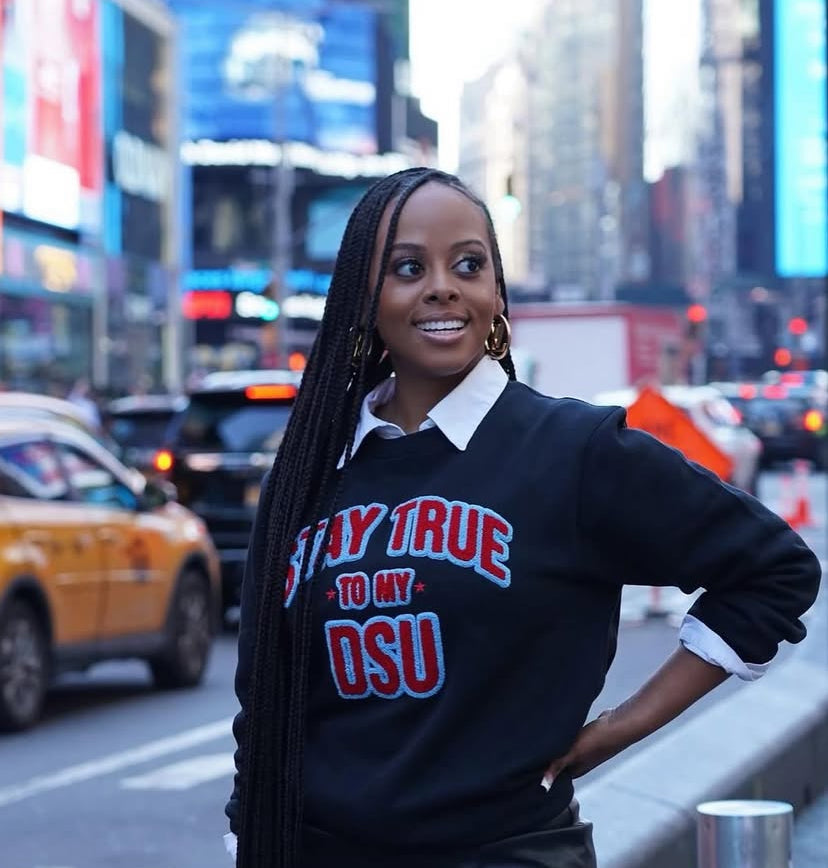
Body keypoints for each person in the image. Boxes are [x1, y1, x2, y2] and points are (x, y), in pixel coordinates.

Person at [225, 167, 820, 868]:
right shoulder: (308, 474)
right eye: (408, 267)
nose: (442, 286)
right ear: (365, 296)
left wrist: (616, 730)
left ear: (496, 294)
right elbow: (261, 698)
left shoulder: (573, 451)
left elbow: (774, 571)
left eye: (468, 264)